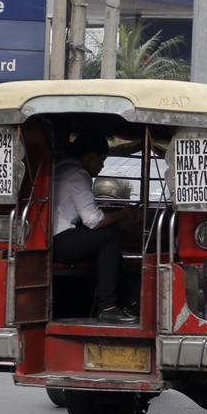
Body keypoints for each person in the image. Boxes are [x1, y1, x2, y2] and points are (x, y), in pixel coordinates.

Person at [52, 130, 140, 324]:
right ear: (91, 156)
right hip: (58, 240)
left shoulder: (62, 168)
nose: (102, 165)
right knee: (111, 237)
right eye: (101, 159)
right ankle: (108, 307)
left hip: (51, 238)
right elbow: (93, 220)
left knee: (107, 237)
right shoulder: (78, 174)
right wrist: (124, 214)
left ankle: (124, 299)